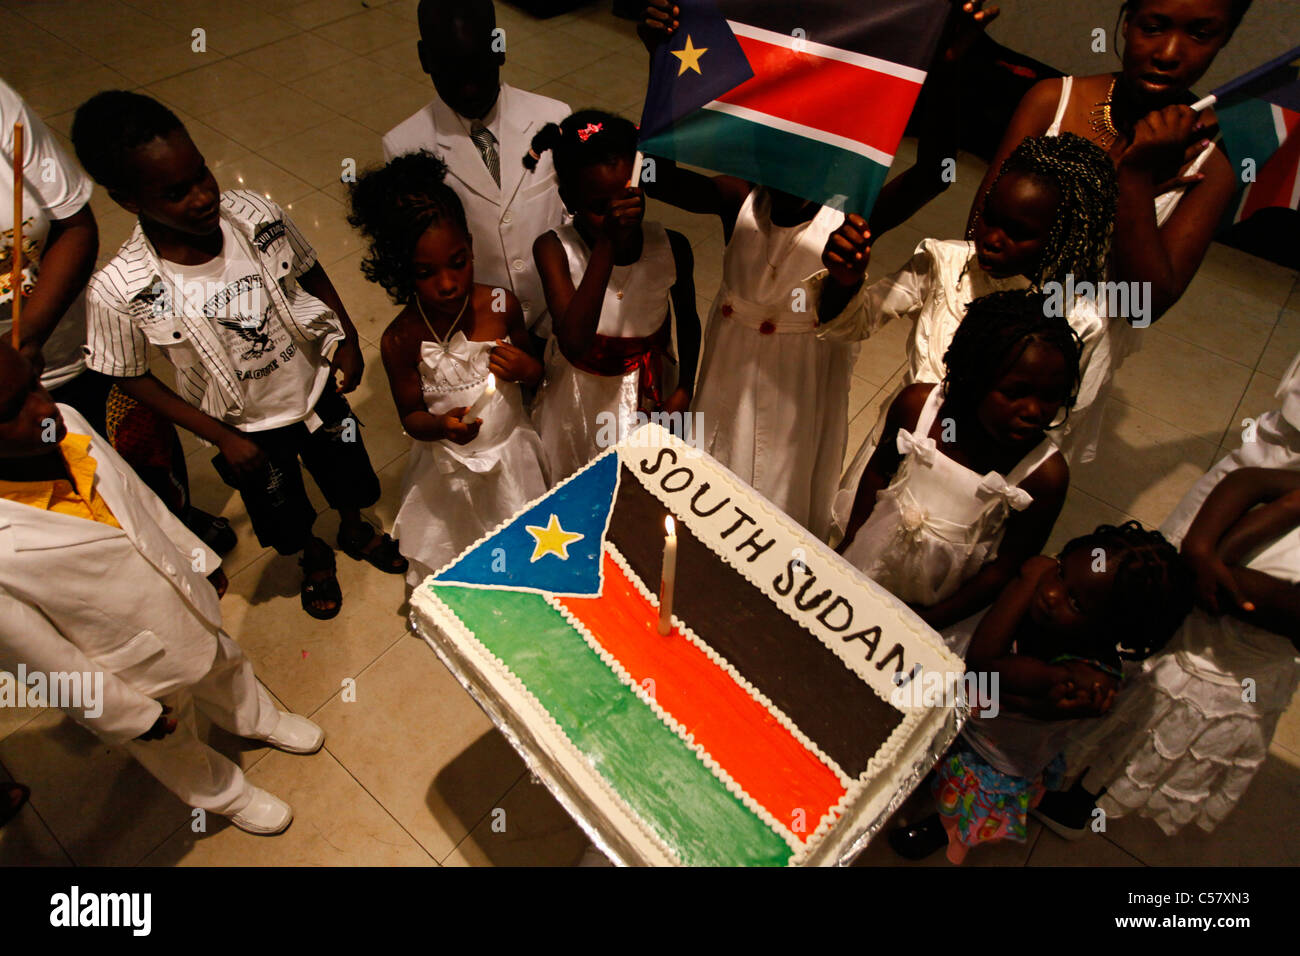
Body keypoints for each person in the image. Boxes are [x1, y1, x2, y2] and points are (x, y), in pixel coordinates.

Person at [71, 91, 406, 621]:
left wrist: (345, 337)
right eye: (176, 192)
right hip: (246, 429)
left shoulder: (256, 214)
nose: (204, 197)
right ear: (128, 200)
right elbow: (128, 375)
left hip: (318, 390)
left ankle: (353, 526)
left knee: (350, 475)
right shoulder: (120, 289)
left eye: (202, 173)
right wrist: (222, 437)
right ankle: (312, 555)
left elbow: (310, 268)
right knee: (281, 513)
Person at [0, 344, 323, 835]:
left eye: (34, 383)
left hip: (183, 601)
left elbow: (141, 500)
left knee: (225, 662)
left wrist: (197, 559)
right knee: (170, 743)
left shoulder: (68, 423)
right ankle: (223, 792)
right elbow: (42, 661)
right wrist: (124, 716)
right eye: (11, 410)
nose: (43, 408)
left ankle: (255, 717)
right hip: (128, 665)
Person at [636, 4, 869, 540]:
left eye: (803, 157)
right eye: (773, 154)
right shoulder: (736, 198)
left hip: (794, 381)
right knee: (716, 469)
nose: (785, 172)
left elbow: (935, 177)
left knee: (779, 493)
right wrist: (659, 62)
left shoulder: (845, 223)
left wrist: (949, 69)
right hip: (731, 368)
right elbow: (652, 173)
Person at [826, 134, 1119, 542]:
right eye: (990, 217)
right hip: (897, 455)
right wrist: (845, 281)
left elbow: (1057, 428)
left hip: (975, 491)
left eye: (1018, 232)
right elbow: (851, 325)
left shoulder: (1079, 321)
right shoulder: (944, 263)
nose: (992, 237)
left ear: (1060, 236)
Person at [891, 521, 1193, 862]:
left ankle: (941, 827)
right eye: (1061, 571)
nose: (1051, 593)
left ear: (1114, 631)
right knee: (925, 749)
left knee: (967, 797)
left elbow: (985, 663)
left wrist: (1029, 577)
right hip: (970, 710)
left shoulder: (1085, 679)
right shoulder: (1046, 604)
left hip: (996, 749)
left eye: (1076, 602)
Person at [969, 0, 1251, 321]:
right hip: (981, 321)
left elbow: (1141, 308)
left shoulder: (1209, 160)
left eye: (1200, 35)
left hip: (1076, 359)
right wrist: (1109, 186)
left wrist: (1135, 177)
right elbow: (978, 238)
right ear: (1128, 22)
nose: (1168, 53)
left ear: (1224, 39)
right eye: (1153, 28)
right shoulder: (1051, 101)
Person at [1056, 466, 1299, 837]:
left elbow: (1226, 586)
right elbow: (1250, 479)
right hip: (1179, 634)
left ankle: (1077, 803)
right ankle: (1060, 775)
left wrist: (1208, 556)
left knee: (1141, 745)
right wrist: (1202, 549)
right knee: (1107, 715)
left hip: (1219, 679)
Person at [348, 151, 549, 586]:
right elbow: (410, 418)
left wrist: (526, 368)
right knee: (458, 545)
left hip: (510, 456)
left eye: (458, 262)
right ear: (402, 272)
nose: (447, 282)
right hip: (449, 473)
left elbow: (539, 376)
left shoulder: (500, 305)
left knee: (520, 535)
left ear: (472, 247)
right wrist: (440, 425)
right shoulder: (399, 340)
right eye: (426, 272)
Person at [839, 291, 1078, 638]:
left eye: (1050, 397)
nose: (1033, 411)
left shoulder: (1043, 475)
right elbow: (879, 470)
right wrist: (850, 543)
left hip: (945, 605)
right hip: (869, 558)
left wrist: (930, 621)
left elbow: (1007, 567)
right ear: (974, 376)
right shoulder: (919, 408)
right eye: (1015, 392)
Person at [527, 110, 701, 483]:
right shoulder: (554, 250)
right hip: (579, 399)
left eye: (628, 197)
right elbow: (574, 341)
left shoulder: (673, 247)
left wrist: (685, 386)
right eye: (599, 207)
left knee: (639, 490)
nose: (620, 213)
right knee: (576, 481)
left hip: (648, 390)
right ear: (569, 200)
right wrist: (607, 241)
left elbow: (688, 320)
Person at [383, 0, 570, 343]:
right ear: (425, 59)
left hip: (556, 316)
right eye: (450, 70)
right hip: (480, 330)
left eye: (476, 67)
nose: (468, 86)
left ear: (499, 47)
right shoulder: (404, 146)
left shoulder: (553, 117)